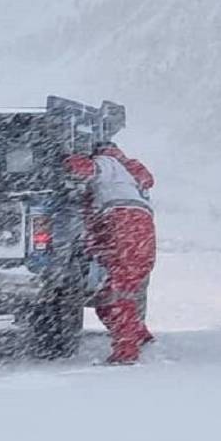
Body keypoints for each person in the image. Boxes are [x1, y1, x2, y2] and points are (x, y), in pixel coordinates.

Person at [64, 142, 157, 364]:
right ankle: (137, 334)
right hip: (143, 226)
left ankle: (126, 351)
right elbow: (148, 180)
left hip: (121, 222)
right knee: (131, 285)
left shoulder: (106, 163)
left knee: (115, 293)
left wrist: (67, 158)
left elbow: (82, 170)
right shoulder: (129, 167)